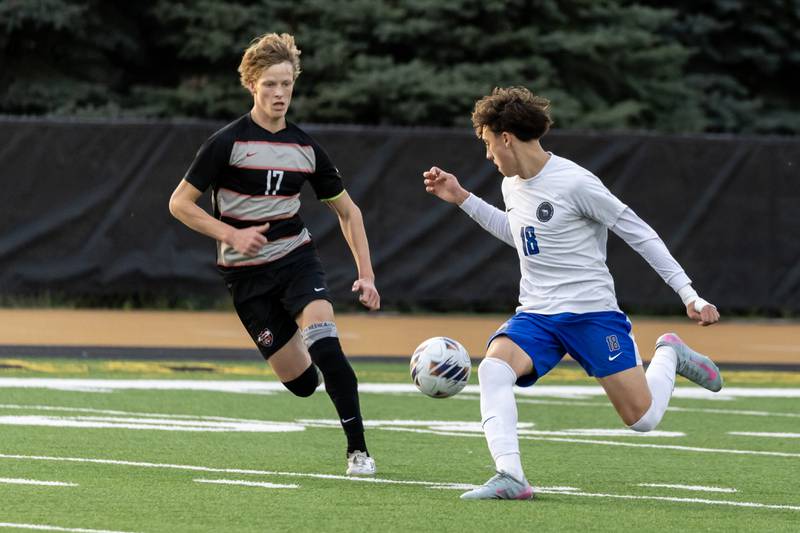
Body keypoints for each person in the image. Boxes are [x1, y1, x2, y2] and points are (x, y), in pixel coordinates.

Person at [423, 87, 723, 500]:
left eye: (489, 145)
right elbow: (522, 237)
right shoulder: (512, 185)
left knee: (642, 419)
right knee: (494, 368)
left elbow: (639, 233)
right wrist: (462, 198)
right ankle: (510, 476)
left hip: (592, 314)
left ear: (506, 137)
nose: (489, 156)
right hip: (537, 315)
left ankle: (670, 353)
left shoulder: (576, 182)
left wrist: (689, 293)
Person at [169, 33, 379, 475]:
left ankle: (358, 451)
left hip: (296, 260)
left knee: (328, 346)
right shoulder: (225, 143)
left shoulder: (305, 148)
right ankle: (302, 339)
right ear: (252, 85)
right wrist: (231, 234)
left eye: (286, 84)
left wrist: (367, 275)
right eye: (270, 85)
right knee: (303, 385)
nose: (279, 94)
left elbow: (349, 211)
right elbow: (179, 204)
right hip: (246, 279)